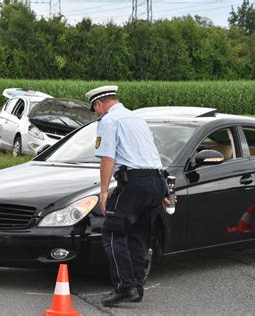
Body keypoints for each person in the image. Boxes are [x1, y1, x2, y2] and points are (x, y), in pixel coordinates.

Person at [85, 85, 168, 307]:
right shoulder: (137, 119)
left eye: (96, 109)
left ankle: (125, 287)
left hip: (134, 185)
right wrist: (163, 190)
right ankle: (136, 287)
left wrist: (103, 191)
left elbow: (107, 158)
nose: (97, 113)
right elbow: (152, 155)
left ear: (100, 104)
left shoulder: (109, 121)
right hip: (156, 181)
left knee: (113, 232)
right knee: (139, 236)